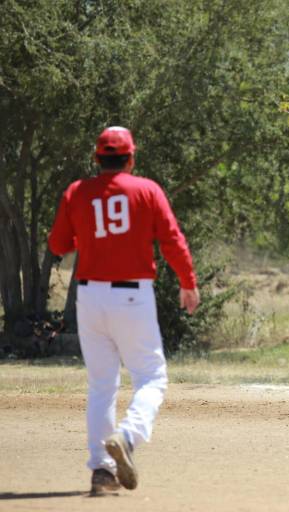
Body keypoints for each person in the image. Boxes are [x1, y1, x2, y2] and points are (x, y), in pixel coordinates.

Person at [49, 126, 200, 495]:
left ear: (97, 158)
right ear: (131, 159)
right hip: (132, 295)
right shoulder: (146, 190)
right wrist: (188, 281)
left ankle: (101, 472)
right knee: (151, 376)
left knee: (102, 384)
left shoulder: (77, 192)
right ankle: (128, 436)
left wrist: (84, 235)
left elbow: (57, 243)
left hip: (89, 296)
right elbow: (171, 239)